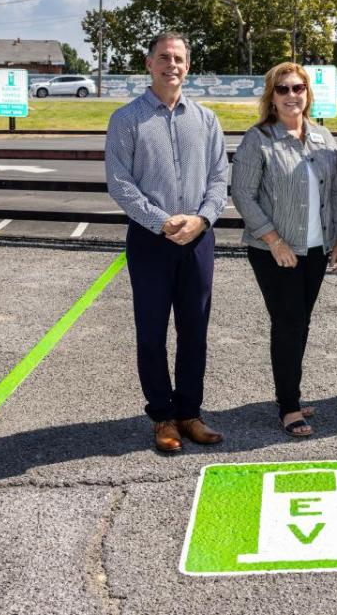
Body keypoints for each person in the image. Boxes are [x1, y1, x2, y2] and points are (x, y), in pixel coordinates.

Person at [105, 31, 228, 454]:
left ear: (188, 65)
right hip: (150, 241)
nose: (170, 65)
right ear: (149, 63)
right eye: (163, 57)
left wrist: (202, 219)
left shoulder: (207, 120)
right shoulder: (127, 119)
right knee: (152, 333)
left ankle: (190, 413)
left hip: (197, 240)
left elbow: (218, 178)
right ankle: (163, 417)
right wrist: (161, 222)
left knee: (195, 332)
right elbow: (119, 183)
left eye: (178, 58)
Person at [230, 62, 337, 438]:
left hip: (315, 248)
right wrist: (274, 241)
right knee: (288, 324)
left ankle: (289, 392)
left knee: (301, 323)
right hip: (274, 250)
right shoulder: (258, 139)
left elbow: (334, 194)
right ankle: (289, 405)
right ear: (272, 96)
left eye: (298, 88)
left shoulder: (324, 139)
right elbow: (243, 195)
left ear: (308, 94)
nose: (291, 95)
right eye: (283, 89)